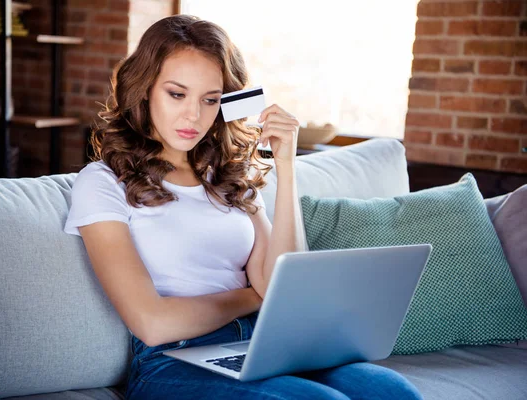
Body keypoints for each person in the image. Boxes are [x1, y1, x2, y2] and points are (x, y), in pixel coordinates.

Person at [63, 14, 423, 400]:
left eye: (210, 100)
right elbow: (152, 323)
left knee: (395, 394)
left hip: (262, 343)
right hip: (172, 360)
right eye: (176, 94)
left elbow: (281, 285)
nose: (193, 116)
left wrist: (286, 168)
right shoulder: (103, 182)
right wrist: (252, 297)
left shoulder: (228, 176)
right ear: (146, 89)